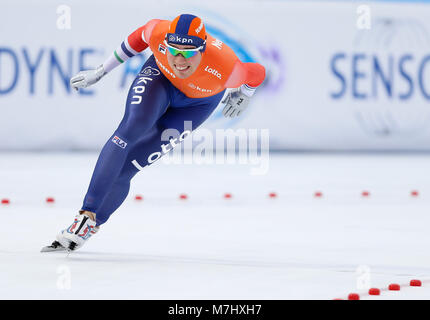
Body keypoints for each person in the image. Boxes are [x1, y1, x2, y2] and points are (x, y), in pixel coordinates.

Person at [41, 14, 265, 252]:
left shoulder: (226, 67)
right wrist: (100, 71)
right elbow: (136, 40)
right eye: (173, 50)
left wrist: (245, 93)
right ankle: (85, 215)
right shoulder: (157, 31)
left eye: (188, 53)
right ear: (165, 43)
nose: (179, 59)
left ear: (202, 50)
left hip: (197, 105)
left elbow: (258, 72)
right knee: (129, 129)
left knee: (131, 166)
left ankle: (90, 228)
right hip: (160, 79)